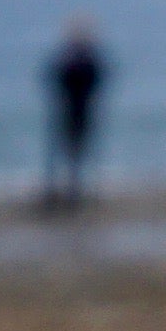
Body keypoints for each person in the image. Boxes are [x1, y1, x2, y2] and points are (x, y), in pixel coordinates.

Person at [42, 18, 113, 211]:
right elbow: (53, 77)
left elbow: (97, 78)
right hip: (67, 108)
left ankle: (75, 192)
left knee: (78, 152)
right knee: (62, 151)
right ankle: (58, 191)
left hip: (81, 108)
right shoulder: (69, 57)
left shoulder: (86, 58)